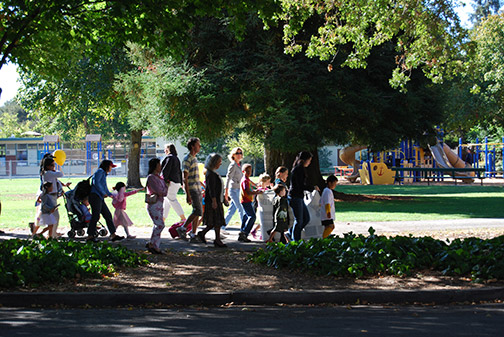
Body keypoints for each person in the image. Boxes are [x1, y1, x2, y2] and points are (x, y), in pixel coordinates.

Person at [87, 159, 124, 242]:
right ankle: (90, 235)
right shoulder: (100, 172)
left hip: (99, 197)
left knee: (107, 215)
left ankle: (113, 234)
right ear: (107, 166)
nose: (111, 168)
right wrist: (103, 193)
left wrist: (110, 194)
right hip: (95, 196)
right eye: (111, 166)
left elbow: (104, 186)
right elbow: (96, 183)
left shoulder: (103, 174)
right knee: (95, 215)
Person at [34, 155, 70, 237]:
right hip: (50, 197)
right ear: (48, 166)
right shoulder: (49, 173)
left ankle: (50, 234)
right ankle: (51, 235)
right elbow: (60, 174)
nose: (54, 167)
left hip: (52, 196)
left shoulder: (47, 173)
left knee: (51, 218)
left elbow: (57, 180)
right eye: (53, 165)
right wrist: (58, 167)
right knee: (54, 217)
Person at [197, 153, 228, 247]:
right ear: (214, 162)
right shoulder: (210, 174)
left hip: (218, 199)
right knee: (215, 221)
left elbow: (218, 188)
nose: (220, 164)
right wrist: (214, 201)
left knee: (215, 221)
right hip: (212, 200)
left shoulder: (214, 173)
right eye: (219, 162)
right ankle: (217, 239)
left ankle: (204, 234)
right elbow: (211, 188)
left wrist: (224, 198)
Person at [177, 137, 204, 243]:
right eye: (198, 144)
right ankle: (183, 228)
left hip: (198, 188)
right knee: (198, 211)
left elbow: (196, 176)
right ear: (192, 146)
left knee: (197, 212)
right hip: (192, 189)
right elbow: (185, 177)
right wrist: (187, 194)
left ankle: (193, 233)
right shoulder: (187, 159)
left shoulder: (194, 159)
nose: (200, 146)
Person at [289, 151, 318, 241]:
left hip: (299, 197)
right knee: (299, 220)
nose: (309, 162)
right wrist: (312, 188)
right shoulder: (298, 170)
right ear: (305, 160)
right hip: (295, 197)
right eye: (309, 160)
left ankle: (291, 232)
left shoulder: (300, 169)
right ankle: (295, 241)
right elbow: (300, 185)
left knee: (306, 218)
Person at [145, 158, 168, 254]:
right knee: (160, 225)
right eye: (159, 165)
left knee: (158, 225)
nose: (161, 166)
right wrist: (163, 190)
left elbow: (164, 191)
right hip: (153, 204)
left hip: (160, 203)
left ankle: (154, 245)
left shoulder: (160, 178)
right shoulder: (151, 178)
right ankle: (153, 244)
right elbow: (160, 191)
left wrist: (163, 190)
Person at [161, 144, 186, 223]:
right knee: (167, 201)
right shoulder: (176, 158)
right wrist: (181, 183)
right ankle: (162, 220)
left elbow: (165, 170)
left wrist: (162, 181)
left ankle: (183, 218)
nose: (164, 151)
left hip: (171, 182)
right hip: (176, 182)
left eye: (165, 149)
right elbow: (179, 171)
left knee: (171, 199)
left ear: (168, 149)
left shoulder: (169, 158)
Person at [238, 163, 263, 242]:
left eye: (250, 171)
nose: (249, 172)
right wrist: (257, 192)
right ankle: (245, 233)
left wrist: (260, 186)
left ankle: (242, 232)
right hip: (246, 201)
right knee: (252, 216)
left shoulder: (248, 179)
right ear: (243, 171)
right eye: (247, 171)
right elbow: (248, 192)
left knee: (245, 216)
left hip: (247, 200)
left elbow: (254, 185)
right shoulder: (245, 181)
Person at [223, 147, 245, 231]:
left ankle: (222, 227)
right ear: (233, 155)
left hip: (239, 189)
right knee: (240, 208)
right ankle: (244, 229)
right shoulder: (233, 165)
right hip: (233, 189)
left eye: (240, 153)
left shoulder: (239, 165)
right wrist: (226, 192)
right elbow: (228, 178)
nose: (239, 155)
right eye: (237, 153)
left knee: (232, 210)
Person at [250, 173, 272, 239]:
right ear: (264, 181)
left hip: (266, 207)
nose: (269, 183)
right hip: (261, 207)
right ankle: (259, 232)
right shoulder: (260, 190)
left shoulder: (266, 189)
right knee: (263, 221)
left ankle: (257, 232)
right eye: (268, 181)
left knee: (264, 221)